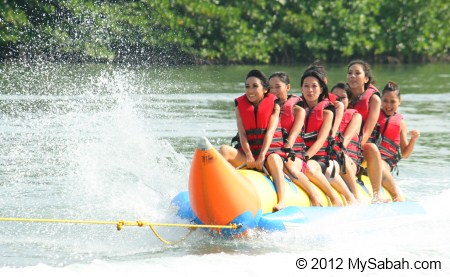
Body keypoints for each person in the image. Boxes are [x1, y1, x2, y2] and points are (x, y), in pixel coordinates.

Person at [219, 69, 287, 211]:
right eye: (247, 86)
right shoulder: (240, 106)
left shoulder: (274, 105)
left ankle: (282, 200)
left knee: (274, 159)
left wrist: (262, 155)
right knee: (224, 150)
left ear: (265, 89)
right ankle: (214, 190)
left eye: (255, 86)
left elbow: (270, 132)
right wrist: (249, 155)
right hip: (249, 158)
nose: (250, 90)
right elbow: (242, 134)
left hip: (268, 157)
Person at [298, 68, 356, 205]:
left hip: (320, 157)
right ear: (301, 88)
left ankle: (336, 198)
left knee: (310, 169)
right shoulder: (297, 108)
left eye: (314, 86)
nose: (310, 90)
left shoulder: (327, 112)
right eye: (306, 86)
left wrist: (304, 158)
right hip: (298, 154)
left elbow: (320, 140)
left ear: (322, 89)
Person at [268, 72, 323, 206]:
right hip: (273, 154)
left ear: (287, 87)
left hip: (294, 155)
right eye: (270, 88)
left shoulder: (298, 110)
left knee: (290, 168)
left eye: (277, 87)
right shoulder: (268, 108)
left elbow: (293, 136)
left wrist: (286, 150)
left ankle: (314, 195)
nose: (274, 91)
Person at [346, 59, 388, 203]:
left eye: (357, 73)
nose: (352, 76)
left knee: (371, 148)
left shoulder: (374, 99)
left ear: (366, 78)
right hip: (342, 140)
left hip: (361, 144)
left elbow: (368, 130)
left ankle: (377, 194)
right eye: (350, 73)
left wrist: (352, 149)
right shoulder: (343, 95)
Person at [376, 81, 420, 201]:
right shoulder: (374, 114)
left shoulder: (400, 123)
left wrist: (413, 139)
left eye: (393, 101)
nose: (388, 105)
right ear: (380, 100)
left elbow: (405, 154)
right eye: (385, 101)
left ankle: (397, 196)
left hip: (386, 161)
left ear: (399, 102)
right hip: (369, 156)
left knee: (378, 164)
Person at [330, 82, 364, 201]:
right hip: (330, 158)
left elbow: (346, 139)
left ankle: (356, 195)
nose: (338, 100)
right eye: (335, 97)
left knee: (341, 156)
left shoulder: (356, 116)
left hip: (348, 160)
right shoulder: (327, 115)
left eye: (343, 98)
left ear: (349, 100)